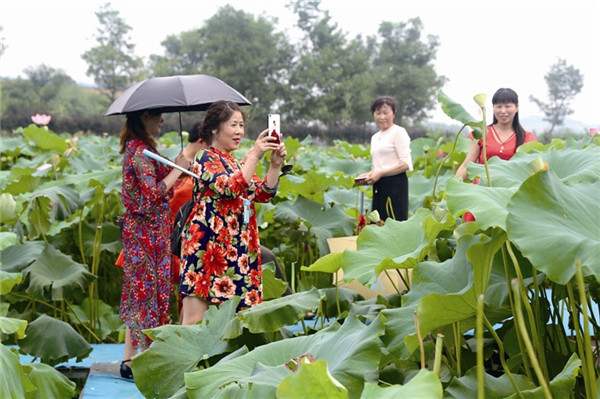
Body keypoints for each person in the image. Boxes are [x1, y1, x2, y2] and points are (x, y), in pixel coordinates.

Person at [179, 100, 286, 325]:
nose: (239, 131)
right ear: (215, 129)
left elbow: (262, 193)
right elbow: (230, 188)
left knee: (234, 322)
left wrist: (274, 166)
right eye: (233, 125)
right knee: (194, 322)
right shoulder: (205, 157)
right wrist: (254, 156)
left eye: (241, 125)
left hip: (236, 250)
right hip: (206, 250)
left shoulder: (235, 162)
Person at [118, 109, 191, 379]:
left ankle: (132, 359)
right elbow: (153, 194)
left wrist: (179, 165)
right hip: (145, 234)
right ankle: (142, 360)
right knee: (145, 293)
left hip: (154, 234)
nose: (161, 120)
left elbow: (167, 183)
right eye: (157, 116)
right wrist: (176, 170)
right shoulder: (138, 153)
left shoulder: (146, 149)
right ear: (144, 118)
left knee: (146, 292)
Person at [455, 88, 537, 221]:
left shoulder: (527, 138)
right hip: (482, 194)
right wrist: (447, 195)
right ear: (493, 108)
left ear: (516, 108)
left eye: (507, 106)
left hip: (512, 196)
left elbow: (533, 172)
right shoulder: (481, 133)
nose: (503, 111)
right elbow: (466, 166)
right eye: (498, 106)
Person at [356, 96, 413, 222]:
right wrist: (368, 175)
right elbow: (377, 166)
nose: (382, 117)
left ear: (394, 114)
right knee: (378, 224)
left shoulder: (399, 132)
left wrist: (381, 173)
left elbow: (406, 164)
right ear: (373, 115)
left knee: (393, 223)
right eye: (378, 113)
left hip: (396, 185)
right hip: (379, 186)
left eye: (386, 112)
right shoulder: (375, 137)